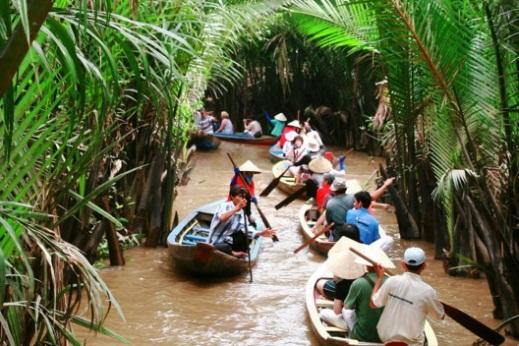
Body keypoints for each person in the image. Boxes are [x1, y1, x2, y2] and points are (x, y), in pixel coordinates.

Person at [371, 247, 445, 346]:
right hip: (411, 343)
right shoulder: (428, 292)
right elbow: (440, 316)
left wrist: (379, 278)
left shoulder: (392, 281)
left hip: (386, 338)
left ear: (402, 264)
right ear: (424, 266)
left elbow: (373, 304)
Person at [343, 245, 395, 342]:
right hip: (386, 337)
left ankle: (351, 334)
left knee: (346, 311)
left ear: (366, 265)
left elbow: (347, 307)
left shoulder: (359, 283)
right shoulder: (393, 283)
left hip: (362, 336)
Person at [208, 186, 276, 258]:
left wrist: (260, 233)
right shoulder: (225, 206)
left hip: (227, 240)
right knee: (224, 247)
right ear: (232, 197)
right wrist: (237, 208)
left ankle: (241, 254)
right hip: (215, 242)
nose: (243, 199)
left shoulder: (242, 213)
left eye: (244, 198)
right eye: (240, 196)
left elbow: (247, 229)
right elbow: (222, 218)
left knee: (244, 235)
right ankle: (234, 253)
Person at [317, 237, 366, 330]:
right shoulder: (363, 278)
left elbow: (337, 311)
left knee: (324, 313)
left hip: (351, 323)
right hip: (362, 318)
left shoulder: (341, 284)